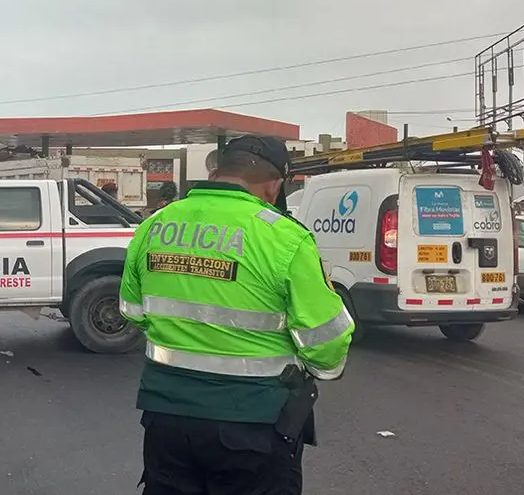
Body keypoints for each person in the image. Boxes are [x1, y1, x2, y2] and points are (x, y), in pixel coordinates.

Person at [120, 135, 354, 494]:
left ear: (216, 172)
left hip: (167, 416)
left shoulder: (155, 225)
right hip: (252, 420)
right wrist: (321, 369)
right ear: (275, 185)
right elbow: (327, 339)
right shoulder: (285, 238)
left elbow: (133, 311)